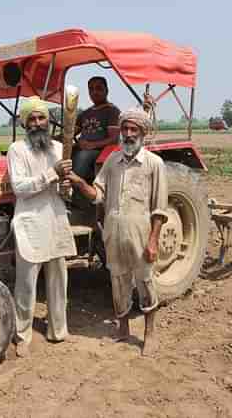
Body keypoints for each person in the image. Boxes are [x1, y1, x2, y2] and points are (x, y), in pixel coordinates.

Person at [67, 107, 168, 356]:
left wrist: (153, 242)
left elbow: (160, 209)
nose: (128, 133)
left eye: (134, 129)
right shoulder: (112, 161)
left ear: (143, 133)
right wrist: (79, 182)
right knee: (118, 281)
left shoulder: (154, 164)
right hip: (114, 232)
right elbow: (98, 194)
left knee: (144, 282)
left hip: (141, 234)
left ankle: (150, 334)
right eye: (125, 129)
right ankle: (122, 328)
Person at [7, 96, 77, 358]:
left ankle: (58, 330)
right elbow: (20, 188)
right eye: (32, 119)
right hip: (30, 221)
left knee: (59, 278)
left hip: (55, 217)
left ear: (48, 121)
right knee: (26, 284)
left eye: (41, 118)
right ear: (25, 124)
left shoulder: (59, 148)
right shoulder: (17, 150)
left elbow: (61, 190)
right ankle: (22, 335)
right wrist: (52, 174)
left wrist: (65, 186)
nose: (37, 123)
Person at [71, 76, 121, 208]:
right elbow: (71, 133)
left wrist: (91, 145)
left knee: (82, 156)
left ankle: (77, 199)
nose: (95, 92)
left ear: (106, 90)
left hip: (101, 150)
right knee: (60, 152)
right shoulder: (85, 113)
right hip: (84, 147)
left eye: (99, 88)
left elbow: (114, 139)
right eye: (91, 89)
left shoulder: (112, 111)